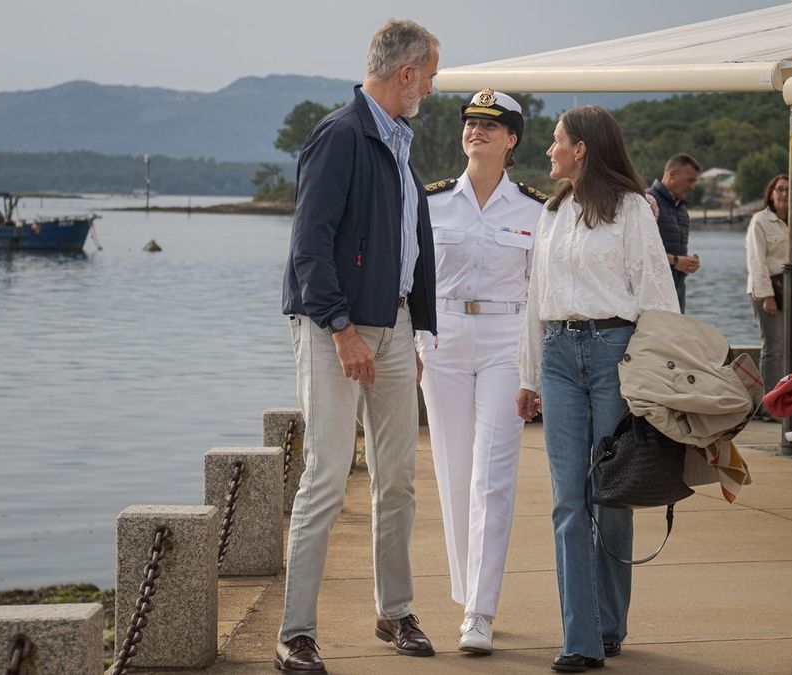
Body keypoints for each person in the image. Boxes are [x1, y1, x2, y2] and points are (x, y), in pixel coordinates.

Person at [277, 19, 439, 674]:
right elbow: (309, 244)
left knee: (397, 475)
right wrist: (342, 328)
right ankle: (295, 634)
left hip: (393, 326)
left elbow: (408, 246)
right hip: (333, 327)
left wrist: (413, 330)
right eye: (429, 74)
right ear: (405, 74)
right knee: (324, 474)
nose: (430, 86)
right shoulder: (340, 135)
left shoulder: (398, 145)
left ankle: (394, 611)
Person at [515, 105, 679, 672]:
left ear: (582, 147)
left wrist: (659, 380)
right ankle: (579, 638)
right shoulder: (552, 211)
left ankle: (609, 625)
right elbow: (536, 299)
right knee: (568, 500)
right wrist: (528, 376)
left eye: (556, 140)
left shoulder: (633, 209)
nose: (549, 150)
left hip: (615, 354)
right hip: (559, 355)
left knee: (611, 494)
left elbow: (657, 293)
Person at [418, 88, 546, 655]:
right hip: (441, 340)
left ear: (512, 139)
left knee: (492, 478)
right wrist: (416, 344)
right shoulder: (431, 203)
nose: (477, 131)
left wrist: (534, 369)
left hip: (504, 340)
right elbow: (410, 280)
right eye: (471, 122)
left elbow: (542, 295)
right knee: (452, 473)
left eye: (491, 126)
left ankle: (480, 611)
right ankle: (467, 587)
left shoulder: (536, 210)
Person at [745, 174, 792, 394]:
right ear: (771, 193)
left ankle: (790, 398)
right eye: (780, 189)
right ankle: (768, 402)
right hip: (767, 291)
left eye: (789, 190)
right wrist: (767, 296)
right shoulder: (760, 221)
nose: (784, 194)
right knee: (773, 348)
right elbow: (756, 261)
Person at [648, 153, 701, 312]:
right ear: (672, 174)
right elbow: (638, 252)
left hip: (677, 289)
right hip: (652, 293)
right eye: (690, 180)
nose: (692, 186)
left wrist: (688, 263)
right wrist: (677, 261)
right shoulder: (647, 202)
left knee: (676, 337)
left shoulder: (682, 209)